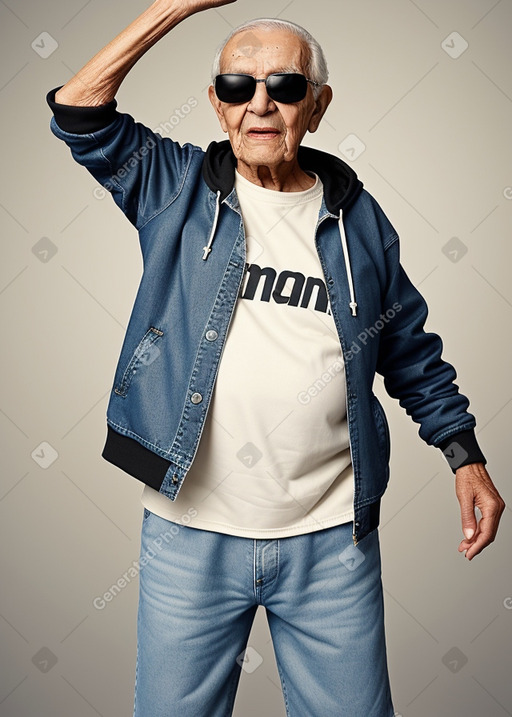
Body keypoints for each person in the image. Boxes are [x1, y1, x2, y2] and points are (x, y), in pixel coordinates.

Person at [47, 1, 505, 715]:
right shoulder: (174, 187)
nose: (260, 103)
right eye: (237, 86)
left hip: (332, 541)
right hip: (188, 535)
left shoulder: (358, 218)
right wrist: (178, 5)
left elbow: (408, 347)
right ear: (216, 104)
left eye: (286, 86)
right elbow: (78, 109)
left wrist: (464, 454)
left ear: (317, 107)